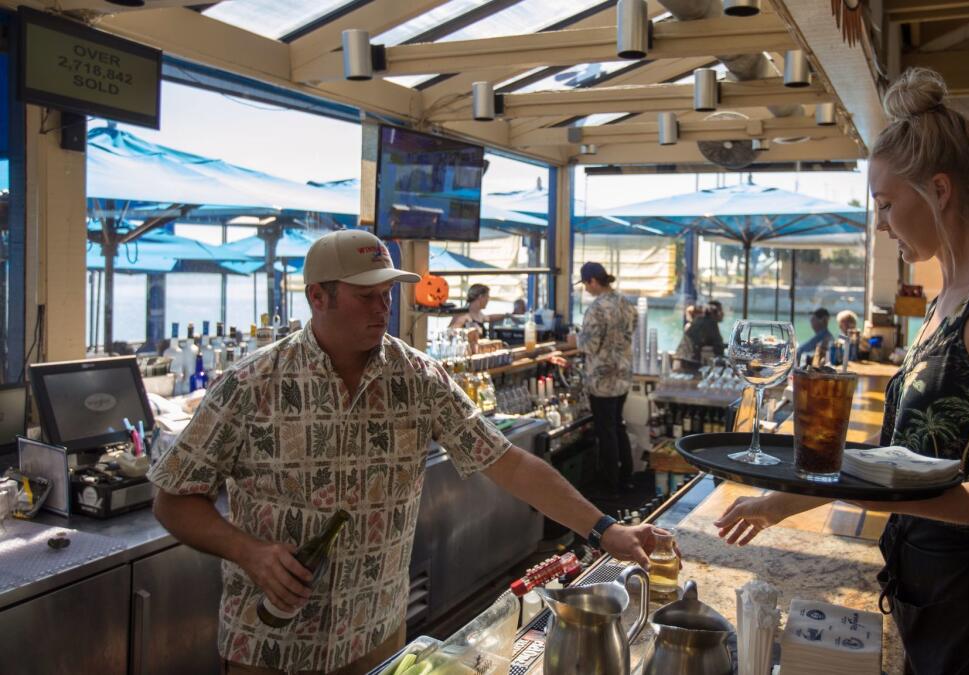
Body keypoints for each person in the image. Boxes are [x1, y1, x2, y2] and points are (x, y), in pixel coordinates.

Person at [714, 68, 969, 674]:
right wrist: (782, 500)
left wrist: (866, 497)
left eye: (886, 204)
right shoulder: (945, 301)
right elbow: (907, 457)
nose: (880, 224)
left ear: (940, 190)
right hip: (943, 593)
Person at [150, 231, 656, 675]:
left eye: (387, 293)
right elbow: (173, 499)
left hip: (373, 638)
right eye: (365, 295)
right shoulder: (251, 383)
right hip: (267, 642)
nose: (383, 307)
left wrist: (604, 528)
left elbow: (508, 462)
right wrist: (250, 552)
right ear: (317, 297)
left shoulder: (417, 378)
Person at [575, 261, 637, 497]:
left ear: (592, 280)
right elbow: (631, 332)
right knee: (618, 425)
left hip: (602, 379)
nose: (586, 289)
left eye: (585, 284)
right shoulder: (626, 303)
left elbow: (589, 345)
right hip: (623, 374)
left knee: (606, 430)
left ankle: (609, 484)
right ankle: (626, 477)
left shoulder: (597, 309)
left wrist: (575, 340)